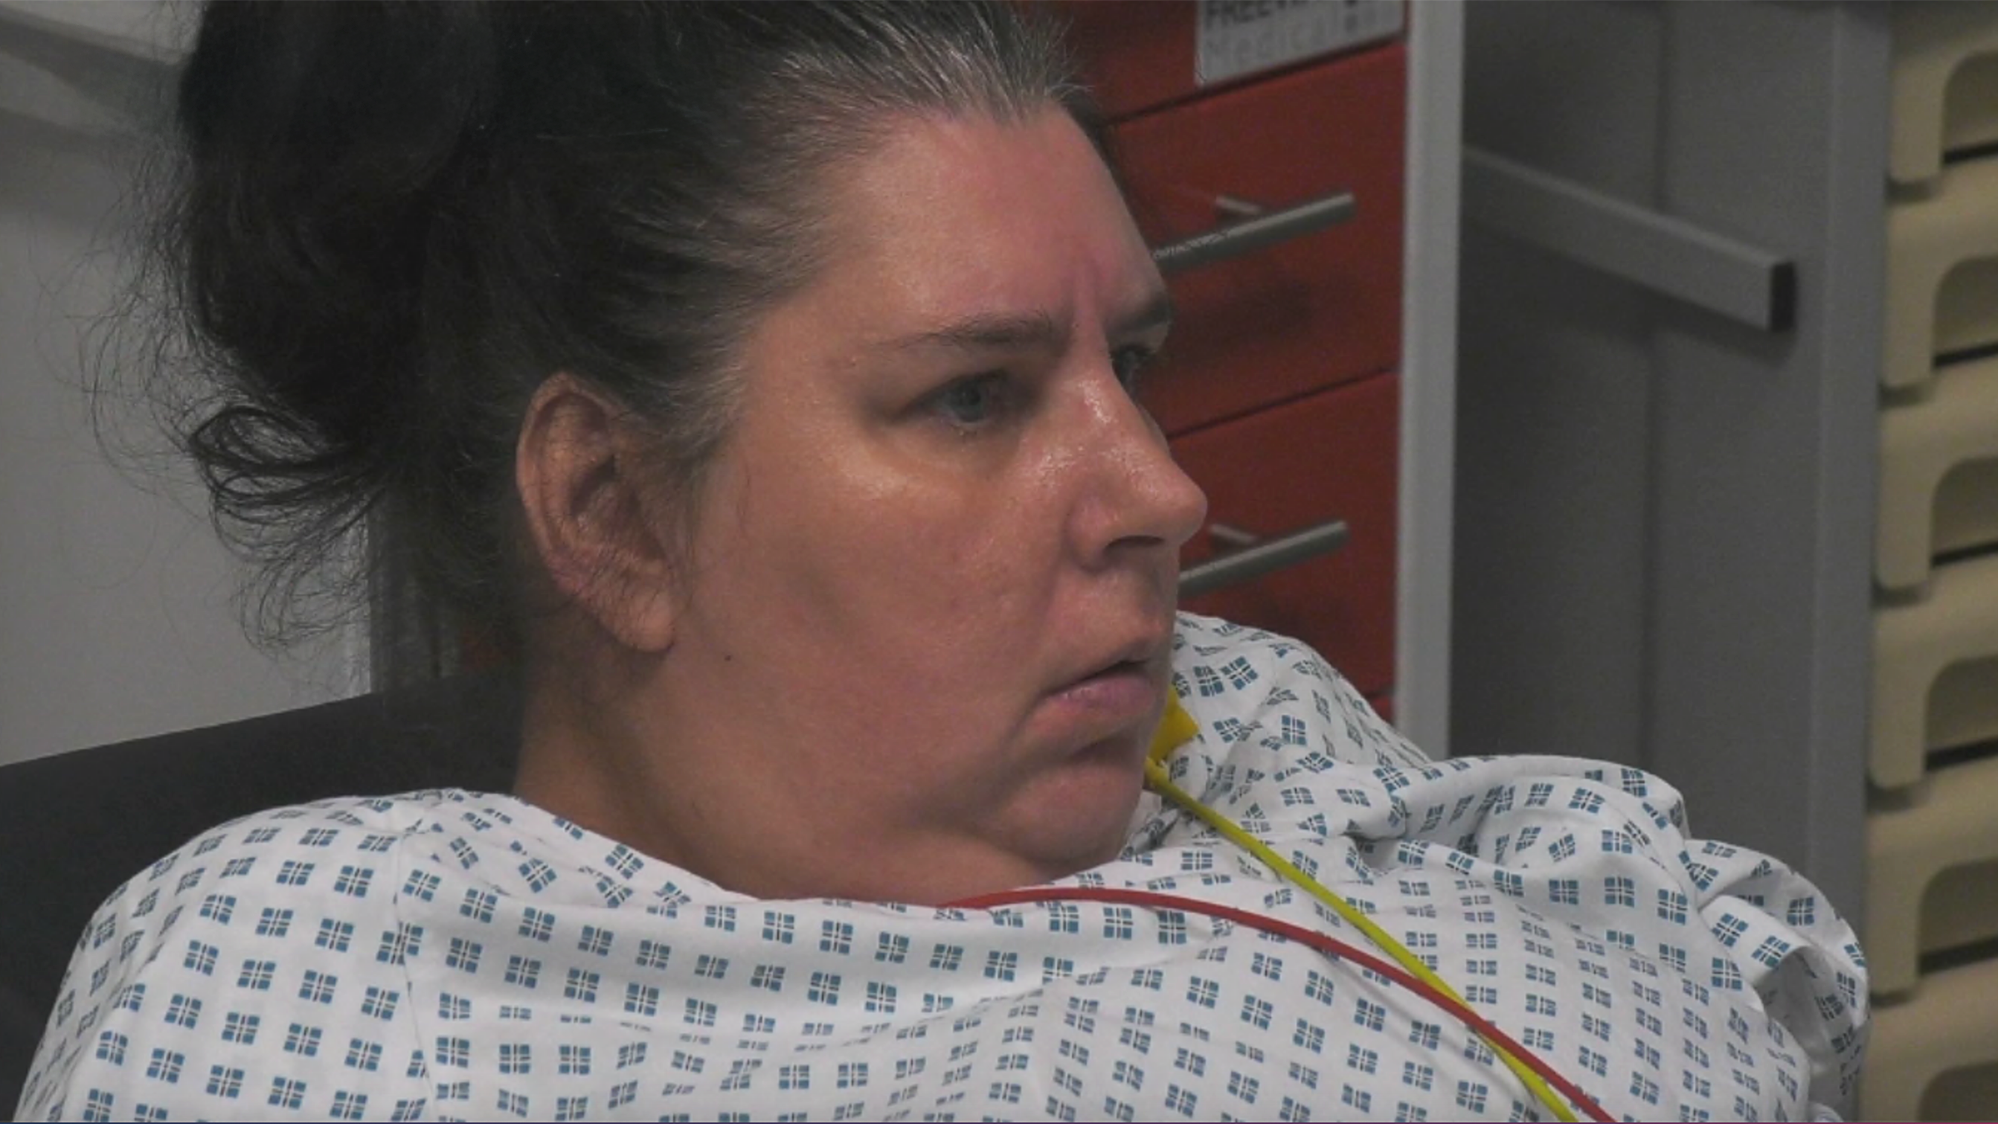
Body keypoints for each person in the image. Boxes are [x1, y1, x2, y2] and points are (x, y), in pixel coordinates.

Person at [18, 3, 1867, 1120]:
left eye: (1129, 363)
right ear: (611, 513)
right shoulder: (328, 999)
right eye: (974, 397)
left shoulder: (1236, 732)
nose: (1160, 492)